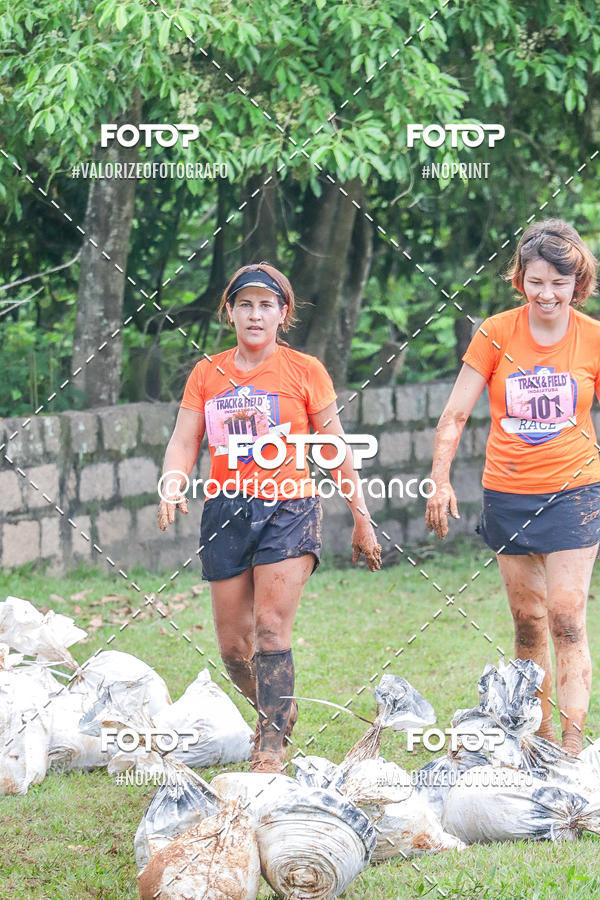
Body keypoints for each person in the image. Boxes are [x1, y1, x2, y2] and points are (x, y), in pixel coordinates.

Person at [157, 262, 382, 773]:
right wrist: (173, 481)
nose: (255, 314)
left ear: (283, 314)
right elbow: (183, 440)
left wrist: (361, 516)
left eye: (266, 305)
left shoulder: (305, 371)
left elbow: (333, 447)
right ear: (229, 313)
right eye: (245, 304)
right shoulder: (206, 373)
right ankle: (275, 708)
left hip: (289, 508)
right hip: (224, 512)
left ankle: (272, 745)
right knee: (235, 648)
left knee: (270, 630)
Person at [425, 219, 600, 755]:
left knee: (567, 616)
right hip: (508, 493)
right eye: (536, 281)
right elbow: (455, 414)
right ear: (520, 278)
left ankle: (571, 747)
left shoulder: (592, 337)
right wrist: (439, 478)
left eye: (560, 283)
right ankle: (536, 738)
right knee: (528, 623)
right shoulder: (496, 332)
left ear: (579, 283)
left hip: (575, 491)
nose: (547, 294)